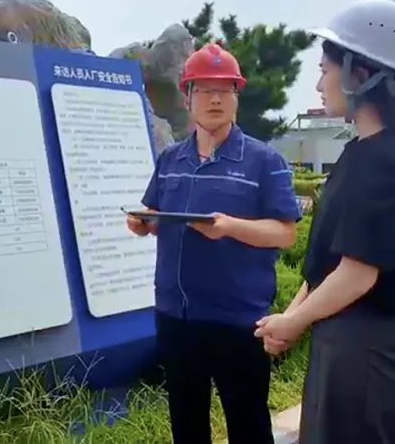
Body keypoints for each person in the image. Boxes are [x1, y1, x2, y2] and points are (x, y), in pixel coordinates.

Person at [253, 0, 395, 444]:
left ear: (360, 72)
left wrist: (295, 322)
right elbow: (329, 263)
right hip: (341, 346)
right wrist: (292, 317)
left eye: (324, 70)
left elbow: (357, 274)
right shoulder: (361, 151)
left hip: (367, 355)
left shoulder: (389, 159)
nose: (319, 85)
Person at [125, 41, 302, 444]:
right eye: (204, 90)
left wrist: (230, 227)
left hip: (237, 320)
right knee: (186, 425)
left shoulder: (264, 161)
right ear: (187, 97)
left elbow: (285, 231)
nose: (215, 99)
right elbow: (154, 213)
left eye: (225, 90)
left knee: (248, 425)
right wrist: (143, 223)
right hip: (176, 317)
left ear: (237, 97)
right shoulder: (171, 160)